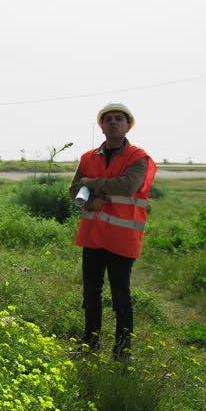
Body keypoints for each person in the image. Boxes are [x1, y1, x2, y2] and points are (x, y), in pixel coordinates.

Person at [69, 103, 157, 358]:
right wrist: (90, 202)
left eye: (119, 119)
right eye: (108, 119)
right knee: (91, 294)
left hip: (122, 237)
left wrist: (92, 183)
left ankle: (122, 352)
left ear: (128, 126)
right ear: (102, 126)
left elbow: (128, 185)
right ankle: (89, 345)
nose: (113, 123)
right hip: (93, 235)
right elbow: (74, 190)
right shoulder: (88, 157)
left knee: (121, 296)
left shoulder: (138, 157)